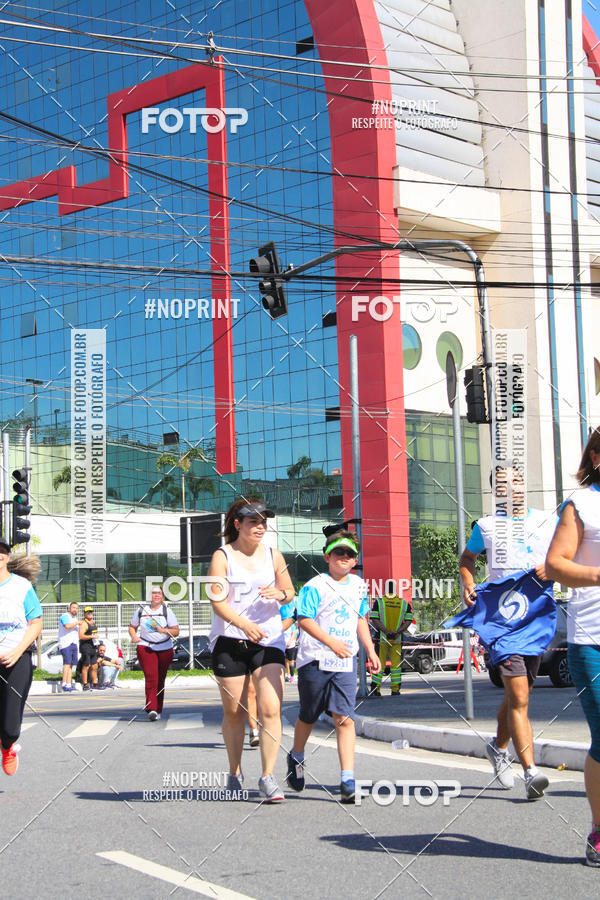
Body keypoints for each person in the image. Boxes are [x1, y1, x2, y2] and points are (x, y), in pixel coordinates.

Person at [459, 466, 557, 800]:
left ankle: (498, 747)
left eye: (515, 480)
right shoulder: (485, 526)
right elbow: (467, 557)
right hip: (501, 621)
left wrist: (554, 566)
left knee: (518, 694)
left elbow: (566, 554)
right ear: (495, 492)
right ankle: (531, 772)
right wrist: (469, 582)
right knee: (520, 697)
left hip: (536, 618)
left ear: (523, 485)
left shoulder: (547, 521)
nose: (511, 487)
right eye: (503, 484)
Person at [207, 498, 294, 802]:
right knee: (235, 712)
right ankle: (235, 772)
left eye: (263, 522)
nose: (260, 527)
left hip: (268, 640)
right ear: (237, 524)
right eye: (253, 522)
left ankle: (268, 777)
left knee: (271, 708)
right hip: (230, 640)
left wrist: (280, 593)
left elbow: (290, 592)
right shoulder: (223, 556)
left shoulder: (274, 555)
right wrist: (243, 624)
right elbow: (217, 602)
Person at [284, 530, 380, 803]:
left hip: (344, 660)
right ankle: (297, 756)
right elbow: (304, 619)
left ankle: (347, 779)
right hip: (314, 659)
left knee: (344, 718)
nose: (344, 558)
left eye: (350, 554)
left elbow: (361, 619)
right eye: (339, 552)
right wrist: (331, 642)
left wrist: (370, 650)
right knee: (309, 715)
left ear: (355, 560)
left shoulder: (359, 586)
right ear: (327, 556)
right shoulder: (315, 585)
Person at [545, 427, 600, 866]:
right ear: (596, 457)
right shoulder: (581, 504)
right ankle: (599, 831)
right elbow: (556, 565)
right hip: (593, 639)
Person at [0, 544, 43, 775]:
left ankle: (7, 746)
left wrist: (17, 651)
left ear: (6, 557)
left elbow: (35, 622)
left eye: (1, 552)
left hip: (17, 658)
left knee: (9, 724)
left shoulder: (21, 586)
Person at [129, 587, 179, 720]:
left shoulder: (166, 611)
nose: (156, 595)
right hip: (146, 646)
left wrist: (163, 631)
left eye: (159, 593)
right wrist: (134, 637)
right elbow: (132, 627)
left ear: (162, 596)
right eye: (153, 593)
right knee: (151, 677)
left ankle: (158, 709)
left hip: (165, 648)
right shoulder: (141, 610)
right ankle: (151, 708)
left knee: (160, 679)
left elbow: (176, 631)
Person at [369, 591, 413, 696]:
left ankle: (376, 689)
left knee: (379, 664)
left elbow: (374, 618)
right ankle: (395, 689)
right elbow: (408, 620)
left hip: (382, 638)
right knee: (396, 665)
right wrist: (398, 632)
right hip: (397, 639)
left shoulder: (379, 602)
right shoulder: (404, 604)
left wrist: (386, 631)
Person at [57, 601, 79, 692]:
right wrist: (77, 623)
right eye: (73, 608)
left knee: (71, 665)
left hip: (74, 643)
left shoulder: (75, 618)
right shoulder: (64, 616)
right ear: (69, 608)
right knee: (66, 664)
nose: (75, 610)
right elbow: (67, 626)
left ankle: (69, 683)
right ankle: (64, 683)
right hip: (66, 643)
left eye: (77, 608)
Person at [79, 606, 100, 691]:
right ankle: (85, 684)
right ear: (84, 614)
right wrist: (91, 636)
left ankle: (95, 683)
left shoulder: (93, 622)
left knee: (94, 666)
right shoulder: (84, 623)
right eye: (88, 612)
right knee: (86, 665)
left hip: (93, 646)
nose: (90, 613)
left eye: (91, 612)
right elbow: (81, 636)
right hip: (86, 647)